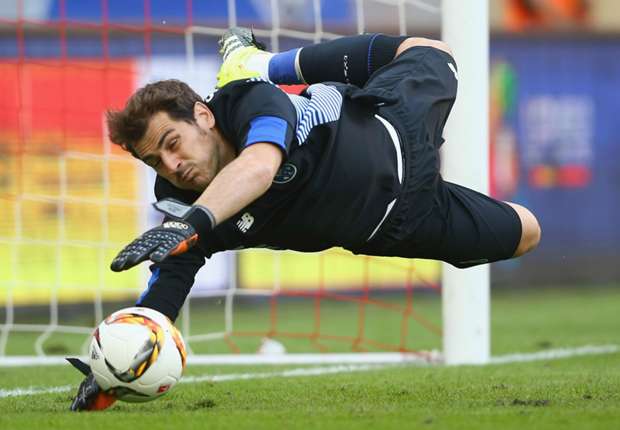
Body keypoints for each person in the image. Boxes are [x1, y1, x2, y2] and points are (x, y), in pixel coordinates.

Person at [69, 28, 541, 411]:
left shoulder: (250, 102)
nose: (171, 166)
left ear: (203, 116)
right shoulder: (179, 202)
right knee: (525, 233)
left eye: (173, 143)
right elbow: (169, 278)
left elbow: (259, 166)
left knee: (430, 50)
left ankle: (265, 61)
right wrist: (117, 366)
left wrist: (196, 220)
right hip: (398, 225)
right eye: (155, 162)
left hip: (395, 127)